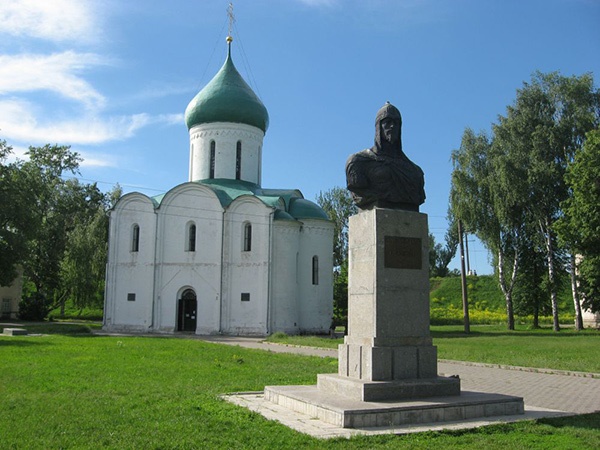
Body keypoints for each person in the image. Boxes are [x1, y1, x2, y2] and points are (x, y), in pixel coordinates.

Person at [345, 102, 425, 211]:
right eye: (387, 122)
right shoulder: (358, 162)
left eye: (396, 123)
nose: (392, 126)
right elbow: (359, 193)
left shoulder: (415, 172)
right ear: (378, 126)